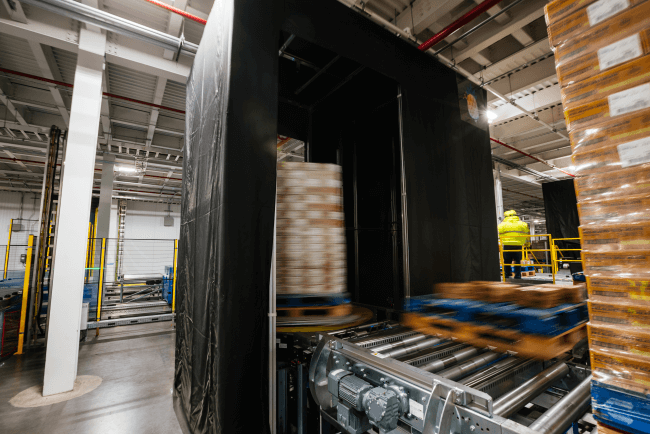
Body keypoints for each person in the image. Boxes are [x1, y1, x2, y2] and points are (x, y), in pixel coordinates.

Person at [498, 210, 529, 279]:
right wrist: (527, 243)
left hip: (507, 245)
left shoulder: (502, 224)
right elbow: (527, 232)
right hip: (518, 245)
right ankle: (517, 276)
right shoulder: (522, 224)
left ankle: (507, 275)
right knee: (517, 261)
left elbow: (499, 231)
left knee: (507, 261)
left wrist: (503, 222)